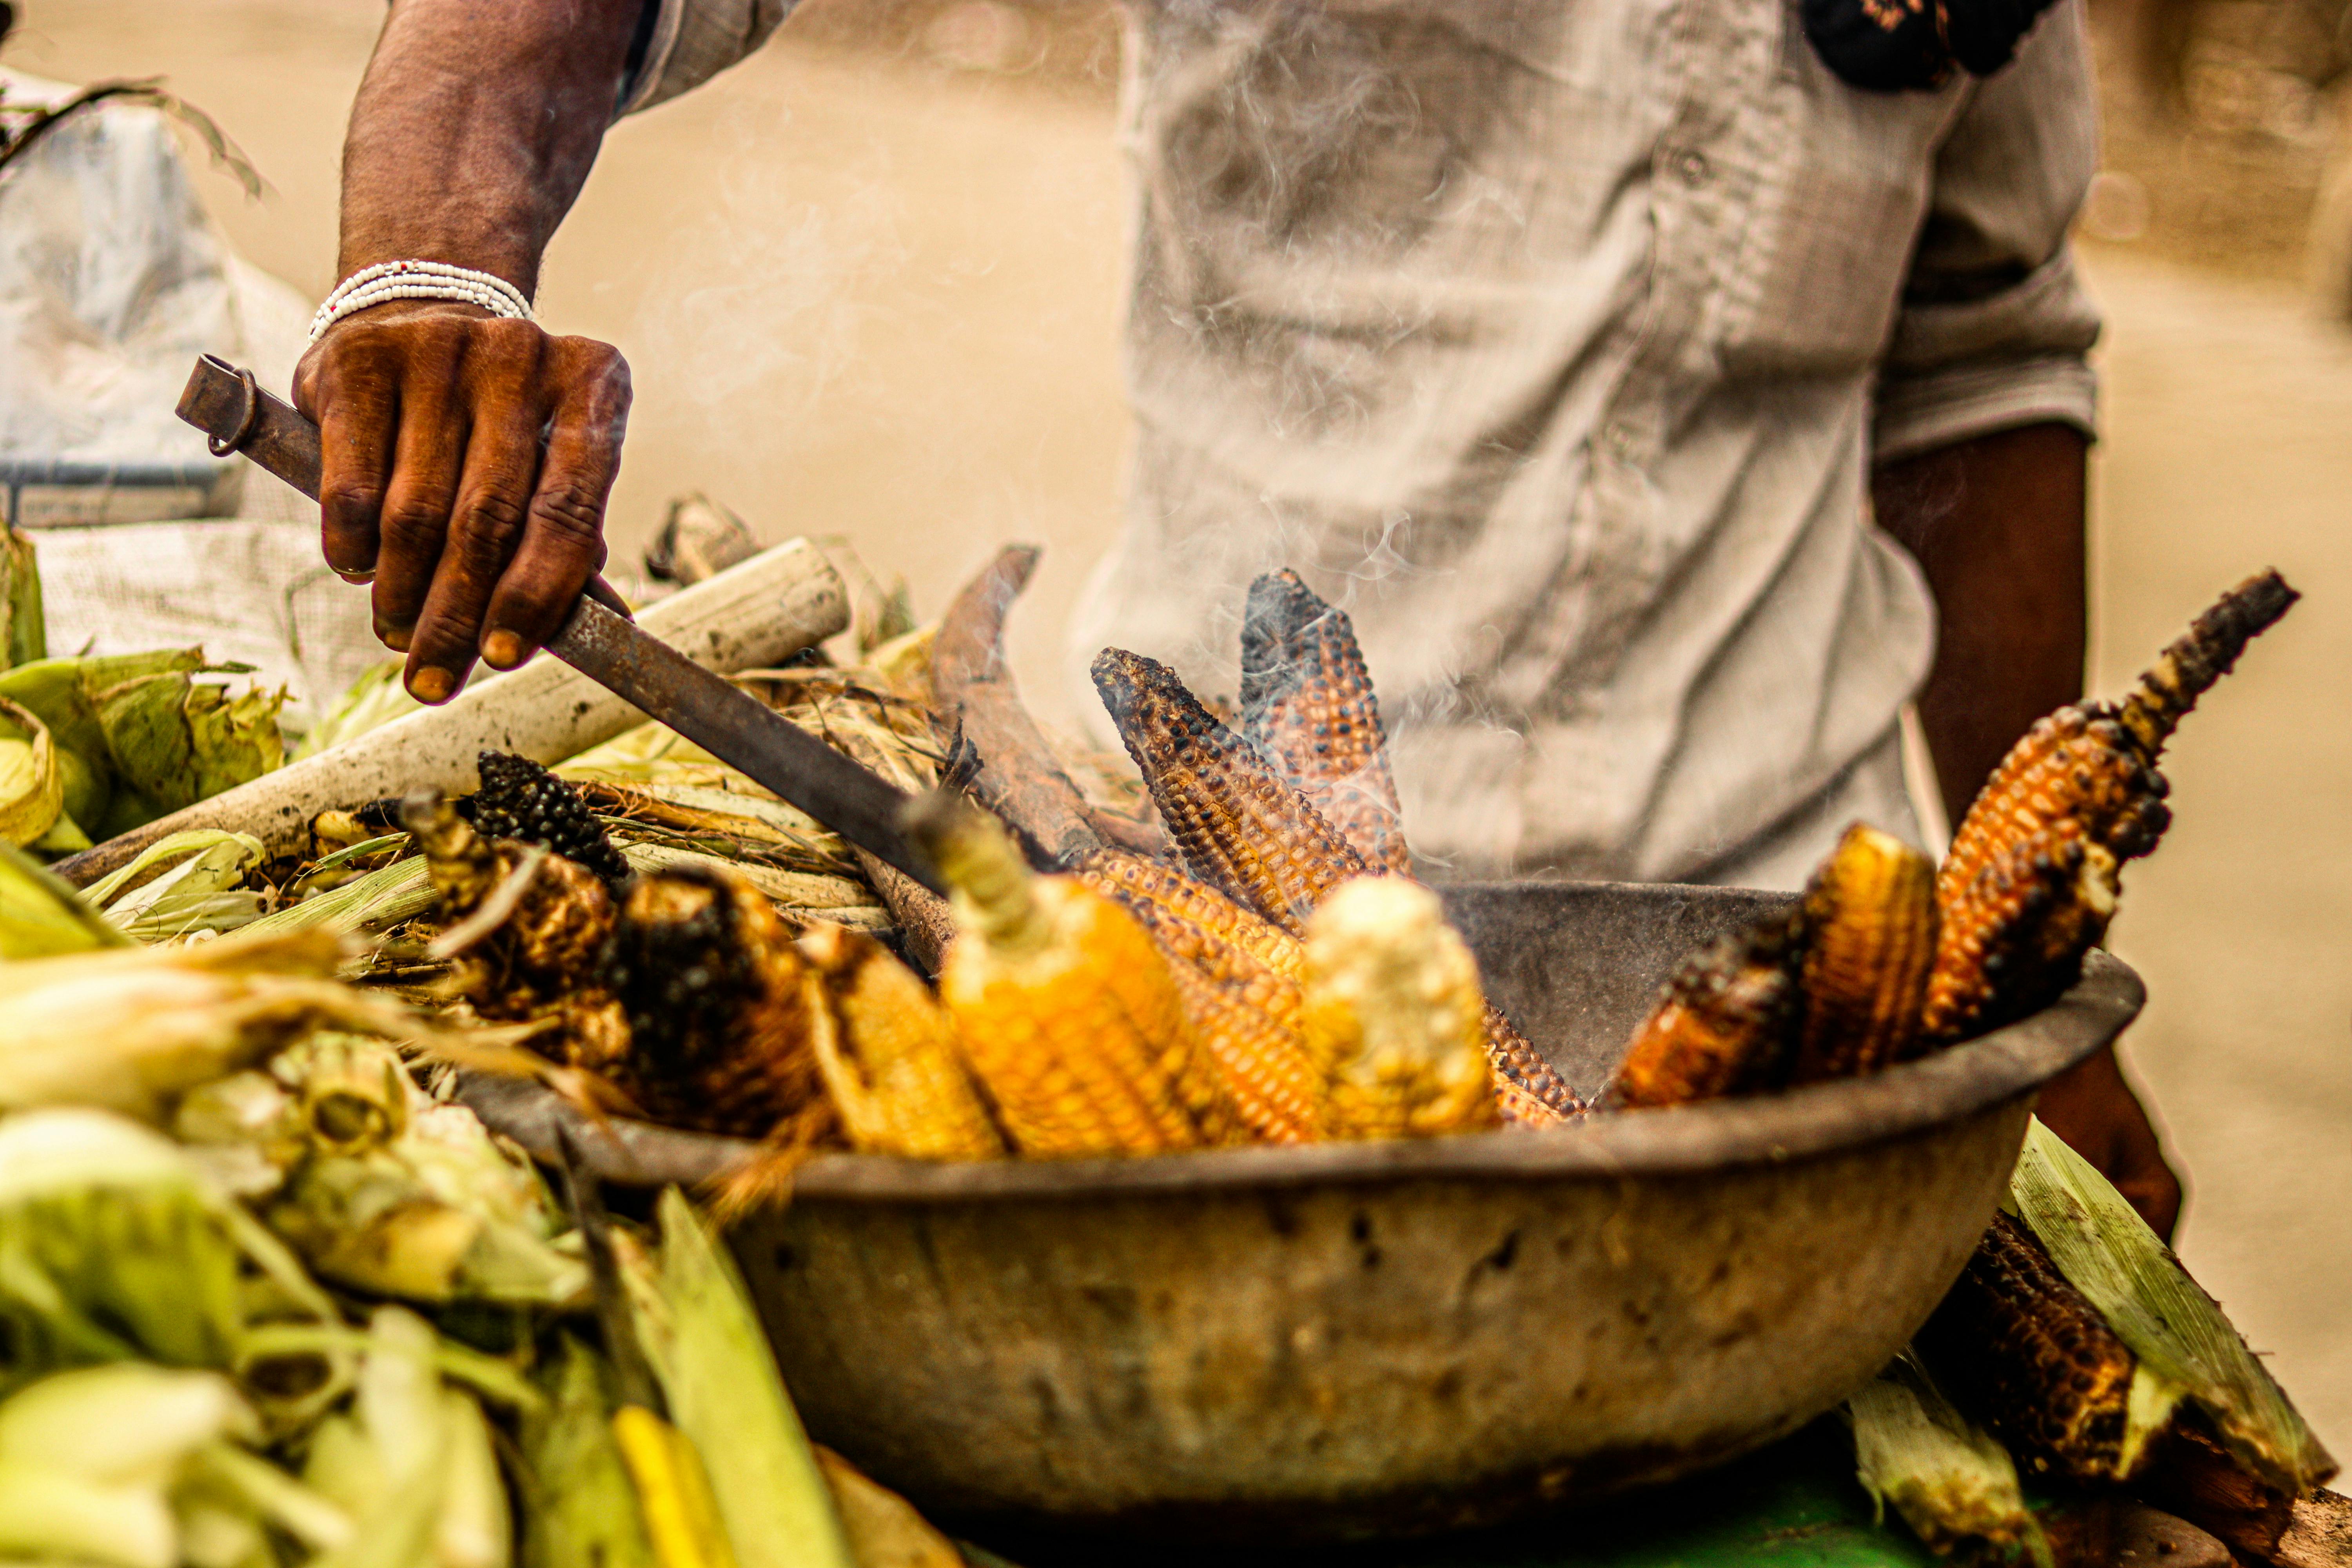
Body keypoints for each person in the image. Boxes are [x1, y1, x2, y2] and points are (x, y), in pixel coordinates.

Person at [296, 0, 2180, 1233]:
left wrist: (2027, 965)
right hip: (1226, 917)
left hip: (1797, 941)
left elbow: (1987, 356)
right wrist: (431, 249)